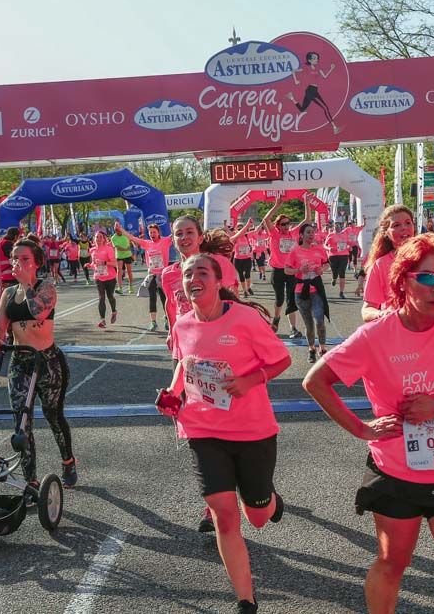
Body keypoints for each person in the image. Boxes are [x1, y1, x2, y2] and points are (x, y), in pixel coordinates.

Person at [303, 233, 434, 614]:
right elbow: (315, 381)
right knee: (393, 564)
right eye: (428, 278)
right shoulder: (375, 335)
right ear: (404, 278)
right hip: (397, 472)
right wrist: (361, 429)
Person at [157, 253, 292, 614]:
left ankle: (270, 501)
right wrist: (172, 394)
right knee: (223, 515)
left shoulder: (246, 319)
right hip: (202, 427)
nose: (193, 278)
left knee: (258, 516)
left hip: (252, 431)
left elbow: (282, 360)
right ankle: (246, 601)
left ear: (218, 282)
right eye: (188, 274)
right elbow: (185, 367)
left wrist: (250, 379)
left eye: (202, 272)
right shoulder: (181, 325)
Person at [160, 215, 240, 534]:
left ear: (198, 235)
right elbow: (171, 305)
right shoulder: (168, 274)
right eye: (178, 234)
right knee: (202, 425)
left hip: (220, 350)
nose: (183, 238)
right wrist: (172, 333)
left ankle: (254, 477)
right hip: (188, 355)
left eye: (189, 232)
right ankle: (214, 506)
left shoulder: (218, 264)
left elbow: (235, 304)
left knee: (229, 420)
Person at [0, 238, 77, 489]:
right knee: (22, 421)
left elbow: (39, 312)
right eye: (15, 258)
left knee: (53, 415)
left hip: (47, 361)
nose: (18, 263)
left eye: (25, 259)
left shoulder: (46, 287)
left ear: (37, 262)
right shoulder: (8, 292)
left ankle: (68, 461)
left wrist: (27, 284)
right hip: (20, 362)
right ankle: (31, 479)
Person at [362, 206, 416, 322]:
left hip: (429, 330)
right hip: (396, 330)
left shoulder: (429, 256)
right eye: (396, 225)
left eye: (408, 223)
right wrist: (383, 314)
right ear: (386, 232)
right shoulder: (380, 265)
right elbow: (367, 310)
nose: (404, 228)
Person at [286, 222, 330, 362]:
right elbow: (287, 270)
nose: (311, 235)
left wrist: (322, 270)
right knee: (309, 324)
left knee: (320, 321)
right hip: (301, 291)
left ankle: (322, 348)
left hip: (316, 289)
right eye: (308, 232)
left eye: (312, 232)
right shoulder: (295, 251)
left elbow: (327, 263)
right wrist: (299, 270)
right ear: (301, 235)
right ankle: (311, 349)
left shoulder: (319, 249)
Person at [116, 222, 172, 330]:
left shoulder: (165, 241)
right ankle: (153, 322)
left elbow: (175, 235)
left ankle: (167, 319)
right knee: (152, 298)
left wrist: (173, 227)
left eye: (154, 232)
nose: (152, 234)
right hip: (151, 275)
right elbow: (132, 238)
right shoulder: (146, 243)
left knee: (165, 298)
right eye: (150, 232)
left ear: (158, 232)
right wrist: (121, 229)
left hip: (162, 275)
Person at [262, 196, 304, 338]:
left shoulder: (293, 234)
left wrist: (307, 204)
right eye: (284, 224)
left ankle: (293, 328)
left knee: (291, 299)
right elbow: (266, 220)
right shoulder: (274, 234)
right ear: (278, 225)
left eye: (288, 224)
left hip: (291, 271)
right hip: (278, 271)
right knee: (280, 299)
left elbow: (306, 221)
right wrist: (276, 205)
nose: (287, 226)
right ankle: (277, 318)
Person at [285, 50, 340, 134]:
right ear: (309, 60)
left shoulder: (318, 68)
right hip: (310, 90)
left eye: (317, 58)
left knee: (302, 109)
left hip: (314, 90)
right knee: (325, 108)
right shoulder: (306, 67)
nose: (316, 59)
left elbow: (325, 76)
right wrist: (296, 80)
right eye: (314, 58)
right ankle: (334, 127)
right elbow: (294, 71)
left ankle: (291, 97)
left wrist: (331, 69)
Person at [87, 232, 119, 329]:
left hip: (110, 277)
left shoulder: (108, 249)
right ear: (94, 238)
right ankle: (102, 320)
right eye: (97, 237)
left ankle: (114, 311)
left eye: (101, 237)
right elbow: (94, 263)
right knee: (101, 297)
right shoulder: (92, 250)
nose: (98, 239)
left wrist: (104, 262)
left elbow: (115, 264)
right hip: (98, 276)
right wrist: (90, 265)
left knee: (110, 296)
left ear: (104, 239)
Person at [323, 221, 352, 299]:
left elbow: (349, 242)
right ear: (334, 227)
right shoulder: (331, 235)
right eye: (336, 226)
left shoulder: (345, 234)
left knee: (342, 273)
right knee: (335, 272)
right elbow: (324, 245)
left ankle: (341, 292)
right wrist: (329, 248)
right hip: (333, 256)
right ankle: (334, 278)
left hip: (344, 255)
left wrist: (350, 246)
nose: (337, 227)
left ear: (341, 227)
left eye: (339, 226)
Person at [110, 226, 135, 294]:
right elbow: (117, 247)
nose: (119, 232)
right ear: (115, 231)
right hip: (119, 256)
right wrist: (126, 249)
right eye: (117, 231)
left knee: (129, 271)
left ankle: (131, 286)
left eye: (120, 230)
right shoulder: (113, 238)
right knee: (119, 271)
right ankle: (120, 288)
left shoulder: (125, 234)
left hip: (128, 255)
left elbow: (131, 240)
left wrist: (131, 246)